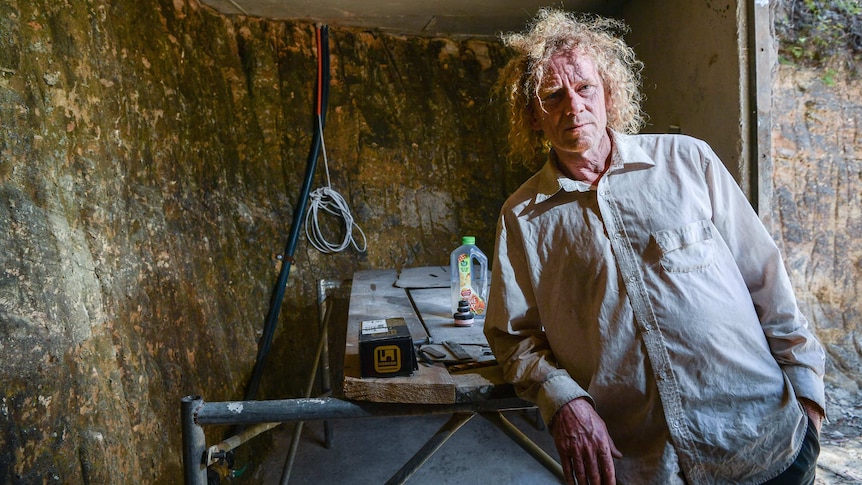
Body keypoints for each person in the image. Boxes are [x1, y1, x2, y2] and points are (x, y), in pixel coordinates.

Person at [483, 9, 826, 485]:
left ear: (608, 92)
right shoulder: (522, 217)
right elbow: (513, 336)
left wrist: (809, 397)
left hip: (764, 443)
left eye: (584, 88)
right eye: (552, 96)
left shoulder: (688, 160)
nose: (573, 107)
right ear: (532, 116)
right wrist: (563, 401)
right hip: (645, 465)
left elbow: (766, 279)